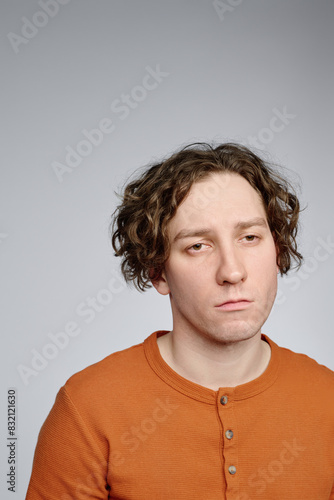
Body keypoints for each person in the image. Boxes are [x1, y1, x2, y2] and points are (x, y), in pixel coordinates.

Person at [26, 143, 334, 499]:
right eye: (198, 246)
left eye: (250, 237)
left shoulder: (327, 401)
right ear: (158, 271)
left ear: (276, 249)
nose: (232, 271)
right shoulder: (86, 409)